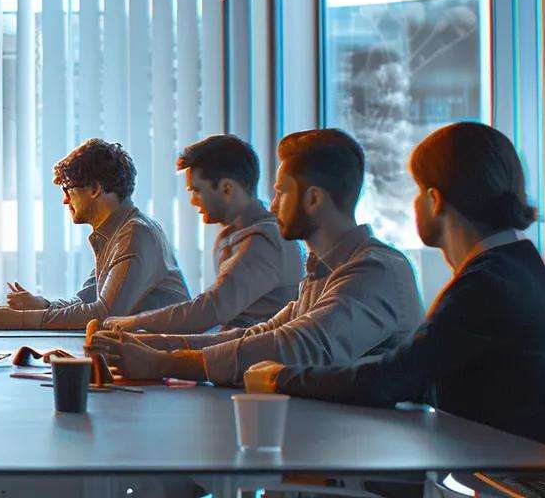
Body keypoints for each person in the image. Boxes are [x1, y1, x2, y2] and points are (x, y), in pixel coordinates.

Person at [245, 123, 545, 457]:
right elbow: (415, 374)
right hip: (531, 465)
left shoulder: (486, 285)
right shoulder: (514, 267)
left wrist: (279, 377)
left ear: (435, 200)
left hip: (525, 478)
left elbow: (392, 379)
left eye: (417, 191)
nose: (414, 203)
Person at [87, 129, 424, 386]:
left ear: (313, 199)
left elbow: (295, 347)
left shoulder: (375, 270)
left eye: (281, 192)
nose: (273, 205)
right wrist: (150, 345)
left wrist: (162, 362)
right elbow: (260, 333)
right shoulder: (322, 271)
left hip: (363, 450)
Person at [0, 138, 190, 330]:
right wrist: (40, 305)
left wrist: (19, 320)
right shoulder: (118, 232)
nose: (65, 200)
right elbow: (85, 301)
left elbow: (103, 314)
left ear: (95, 189)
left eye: (67, 189)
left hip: (165, 357)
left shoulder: (135, 234)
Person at [101, 135, 303, 333]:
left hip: (250, 353)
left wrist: (133, 323)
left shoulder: (263, 241)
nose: (193, 201)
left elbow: (210, 309)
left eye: (196, 190)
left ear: (226, 188)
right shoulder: (237, 235)